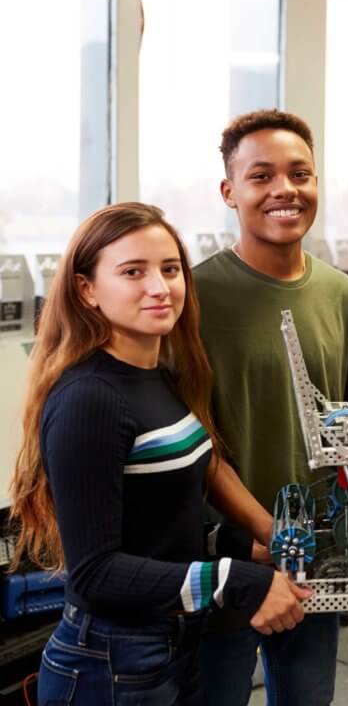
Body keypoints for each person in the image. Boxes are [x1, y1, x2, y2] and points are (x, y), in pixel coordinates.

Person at [9, 203, 307, 705]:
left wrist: (241, 545)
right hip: (109, 662)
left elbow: (156, 522)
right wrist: (236, 581)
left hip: (171, 646)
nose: (159, 287)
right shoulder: (90, 398)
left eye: (170, 269)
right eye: (133, 272)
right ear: (87, 290)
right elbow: (96, 572)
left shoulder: (158, 376)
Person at [194, 110, 348, 705]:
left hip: (313, 557)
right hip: (221, 553)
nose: (284, 191)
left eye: (300, 173)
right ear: (229, 191)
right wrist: (263, 534)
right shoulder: (190, 298)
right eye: (261, 176)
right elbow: (189, 443)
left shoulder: (344, 296)